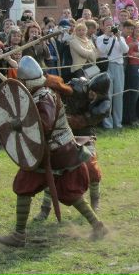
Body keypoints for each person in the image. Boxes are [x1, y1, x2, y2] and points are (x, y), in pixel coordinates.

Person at [0, 56, 107, 247]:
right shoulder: (43, 91)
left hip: (54, 151)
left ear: (26, 81)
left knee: (24, 185)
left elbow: (44, 125)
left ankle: (19, 235)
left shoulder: (43, 96)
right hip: (63, 149)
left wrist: (18, 123)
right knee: (69, 191)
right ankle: (98, 226)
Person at [35, 72, 111, 218]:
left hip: (85, 133)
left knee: (91, 167)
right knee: (54, 168)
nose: (92, 96)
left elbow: (82, 121)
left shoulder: (103, 106)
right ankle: (45, 208)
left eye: (96, 94)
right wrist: (52, 85)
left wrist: (63, 119)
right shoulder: (77, 86)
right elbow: (56, 89)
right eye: (92, 92)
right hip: (61, 132)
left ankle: (95, 202)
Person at [95, 17, 128, 129]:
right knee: (108, 95)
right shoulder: (100, 38)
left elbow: (125, 50)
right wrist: (108, 37)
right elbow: (103, 51)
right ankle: (108, 124)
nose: (110, 27)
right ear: (103, 26)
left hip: (118, 66)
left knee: (119, 95)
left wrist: (118, 38)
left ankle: (118, 123)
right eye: (107, 25)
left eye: (111, 24)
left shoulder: (120, 37)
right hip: (107, 66)